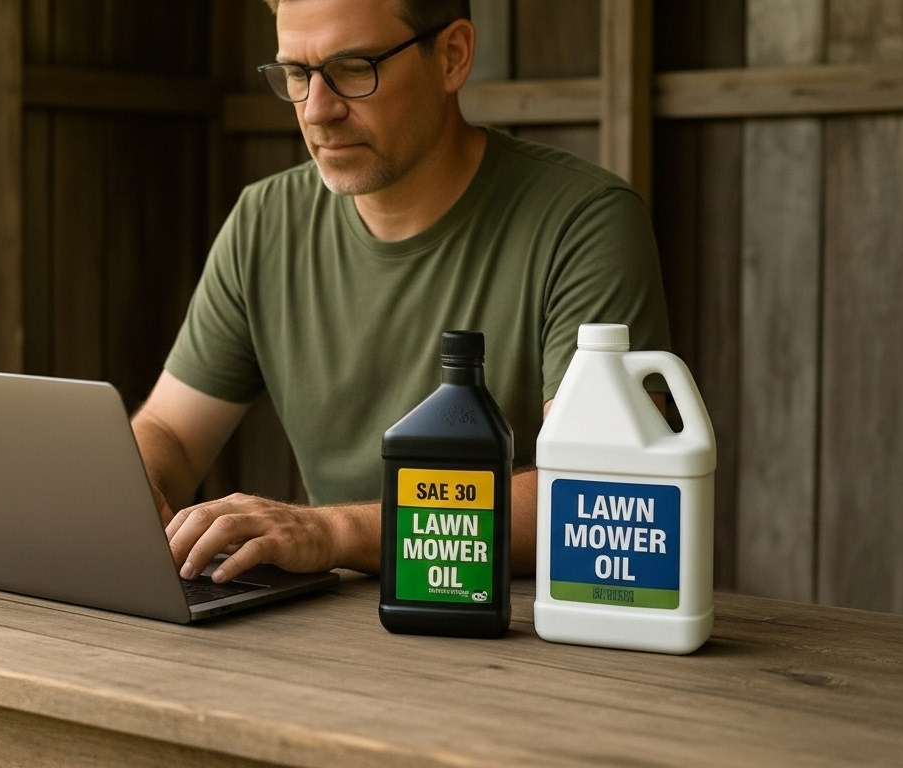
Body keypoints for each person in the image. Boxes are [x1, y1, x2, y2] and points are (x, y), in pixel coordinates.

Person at [130, 0, 670, 587]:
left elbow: (603, 492)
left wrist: (333, 532)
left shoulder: (583, 221)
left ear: (453, 57)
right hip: (332, 630)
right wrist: (132, 485)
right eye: (295, 74)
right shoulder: (264, 222)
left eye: (354, 68)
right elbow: (173, 435)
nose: (317, 110)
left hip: (517, 629)